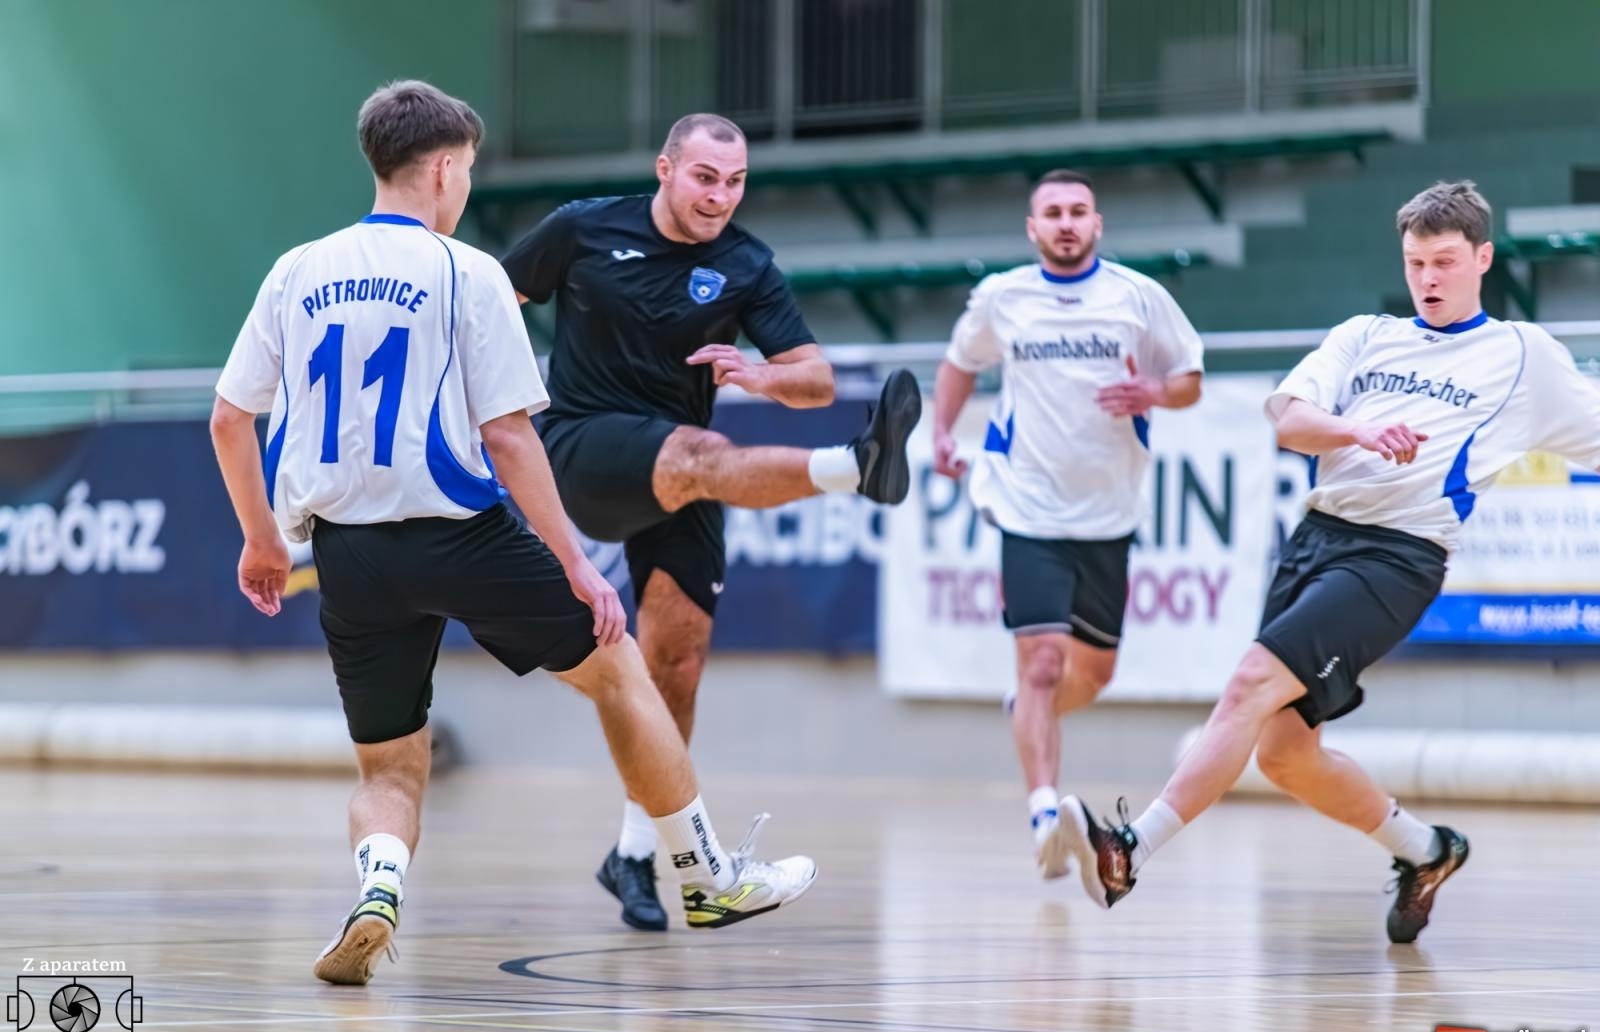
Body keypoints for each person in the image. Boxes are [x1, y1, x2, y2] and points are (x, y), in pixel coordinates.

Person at [209, 81, 817, 986]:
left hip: (348, 553)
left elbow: (229, 419)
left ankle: (379, 885)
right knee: (619, 671)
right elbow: (509, 436)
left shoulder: (295, 270)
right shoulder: (466, 271)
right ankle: (706, 875)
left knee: (388, 766)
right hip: (463, 538)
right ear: (443, 170)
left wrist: (262, 541)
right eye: (466, 171)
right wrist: (576, 561)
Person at [1063, 180, 1600, 943]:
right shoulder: (1365, 335)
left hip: (1398, 556)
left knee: (1249, 682)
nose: (1428, 279)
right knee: (1285, 754)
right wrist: (1358, 430)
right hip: (1315, 539)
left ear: (1483, 258)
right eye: (1415, 262)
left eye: (1445, 262)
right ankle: (1427, 849)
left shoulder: (1522, 356)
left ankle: (1128, 851)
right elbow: (1289, 420)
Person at [499, 112, 921, 930]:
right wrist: (490, 392)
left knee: (676, 665)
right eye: (704, 178)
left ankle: (637, 853)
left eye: (735, 182)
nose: (720, 197)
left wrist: (763, 376)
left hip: (678, 479)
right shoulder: (584, 229)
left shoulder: (745, 264)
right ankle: (855, 468)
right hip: (584, 446)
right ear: (665, 169)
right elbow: (489, 299)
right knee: (705, 452)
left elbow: (817, 379)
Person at [930, 169, 1204, 881]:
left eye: (1078, 211)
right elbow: (959, 362)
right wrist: (941, 431)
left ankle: (1026, 709)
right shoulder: (1003, 297)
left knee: (1093, 672)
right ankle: (1045, 818)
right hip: (1026, 505)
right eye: (1052, 212)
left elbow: (1190, 379)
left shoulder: (1138, 296)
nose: (1066, 222)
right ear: (1033, 228)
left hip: (1109, 512)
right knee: (1043, 663)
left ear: (1097, 223)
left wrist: (1153, 391)